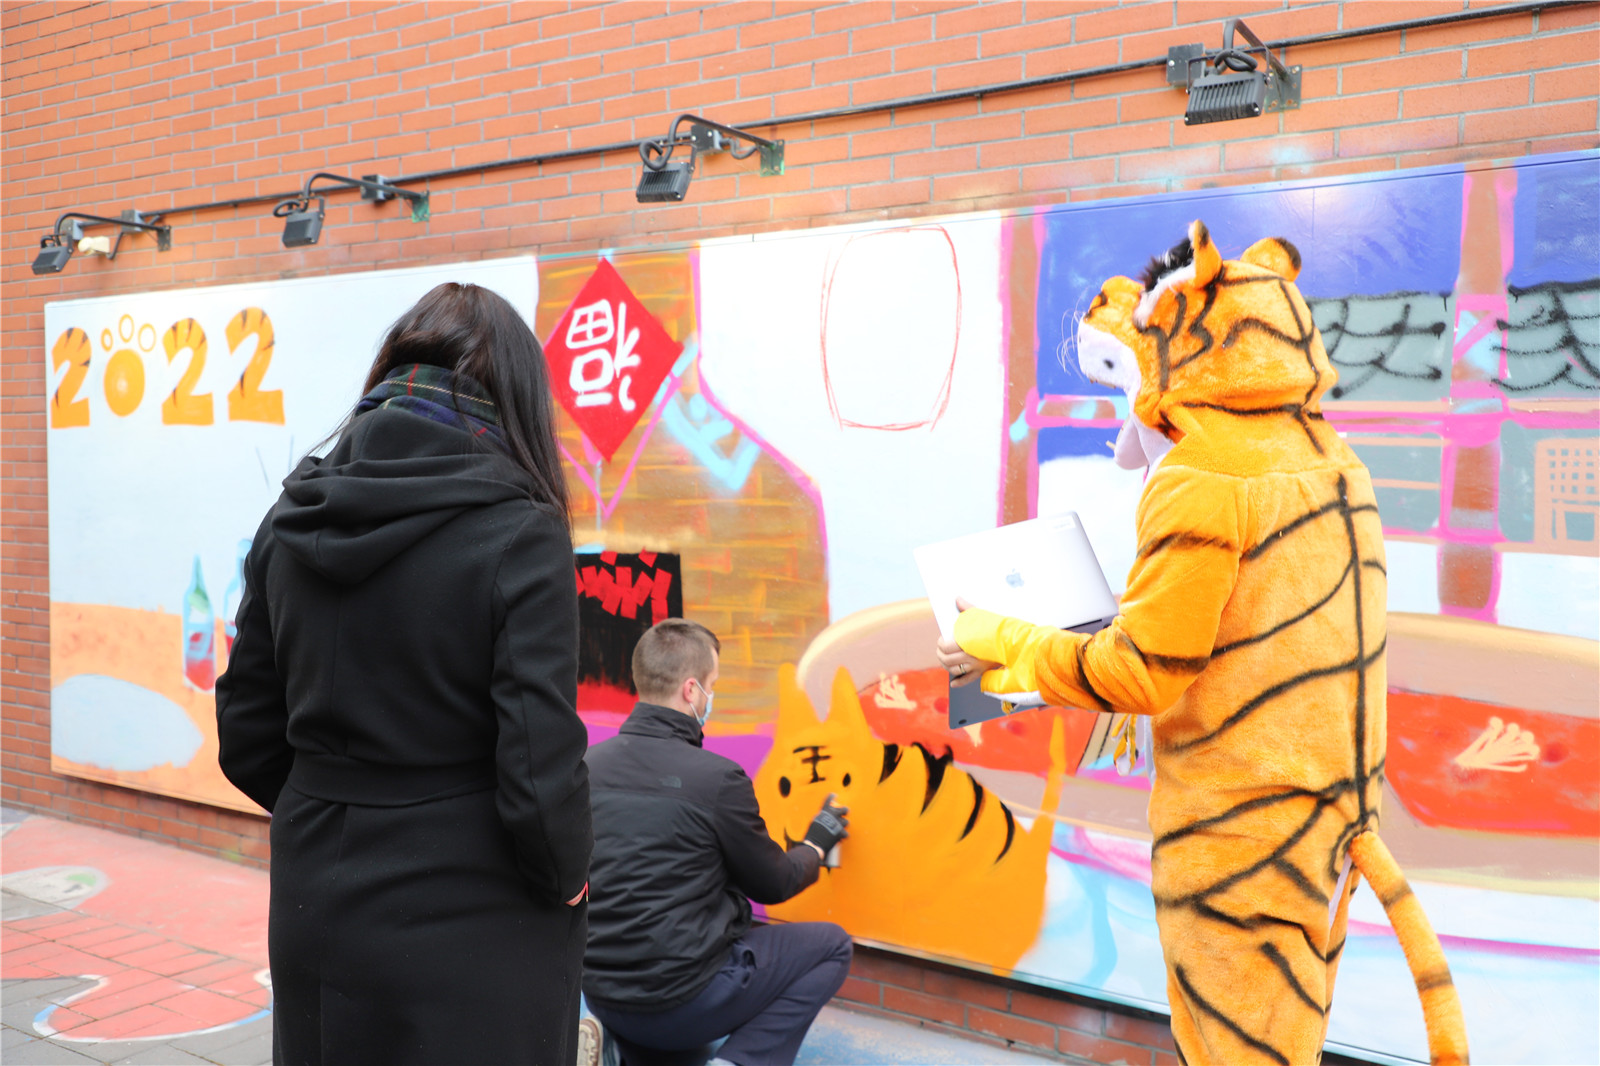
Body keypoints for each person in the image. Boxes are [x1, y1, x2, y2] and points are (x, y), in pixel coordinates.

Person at [216, 282, 592, 1066]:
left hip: (314, 894)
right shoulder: (521, 529)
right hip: (474, 914)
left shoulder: (292, 513)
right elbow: (537, 761)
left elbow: (246, 731)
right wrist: (567, 877)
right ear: (517, 395)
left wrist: (328, 804)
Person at [581, 619, 852, 1066]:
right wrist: (816, 846)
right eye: (713, 685)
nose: (713, 696)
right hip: (683, 1003)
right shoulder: (717, 779)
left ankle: (616, 1046)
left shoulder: (589, 766)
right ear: (691, 691)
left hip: (603, 995)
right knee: (831, 946)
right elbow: (774, 884)